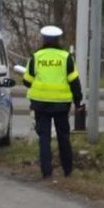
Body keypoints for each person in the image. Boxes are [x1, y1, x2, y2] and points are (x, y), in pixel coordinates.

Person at [23, 25, 84, 179]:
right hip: (61, 104)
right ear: (58, 40)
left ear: (44, 39)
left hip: (40, 104)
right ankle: (68, 170)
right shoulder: (66, 57)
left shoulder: (36, 57)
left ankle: (47, 172)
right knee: (63, 136)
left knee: (44, 138)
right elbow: (74, 82)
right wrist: (78, 102)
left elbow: (27, 81)